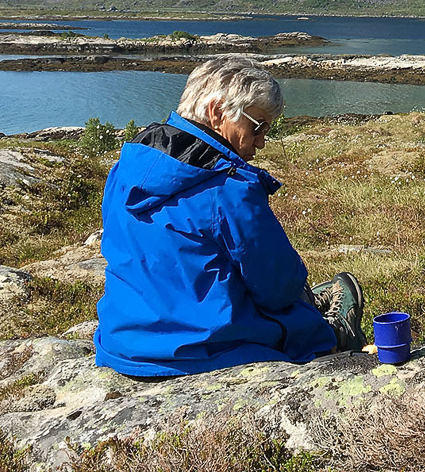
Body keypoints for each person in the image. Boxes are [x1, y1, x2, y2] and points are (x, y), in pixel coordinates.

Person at [95, 55, 365, 377]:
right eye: (258, 126)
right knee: (299, 309)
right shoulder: (228, 187)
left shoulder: (126, 167)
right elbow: (277, 288)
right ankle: (336, 334)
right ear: (217, 111)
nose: (261, 141)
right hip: (204, 350)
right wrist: (297, 292)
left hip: (124, 344)